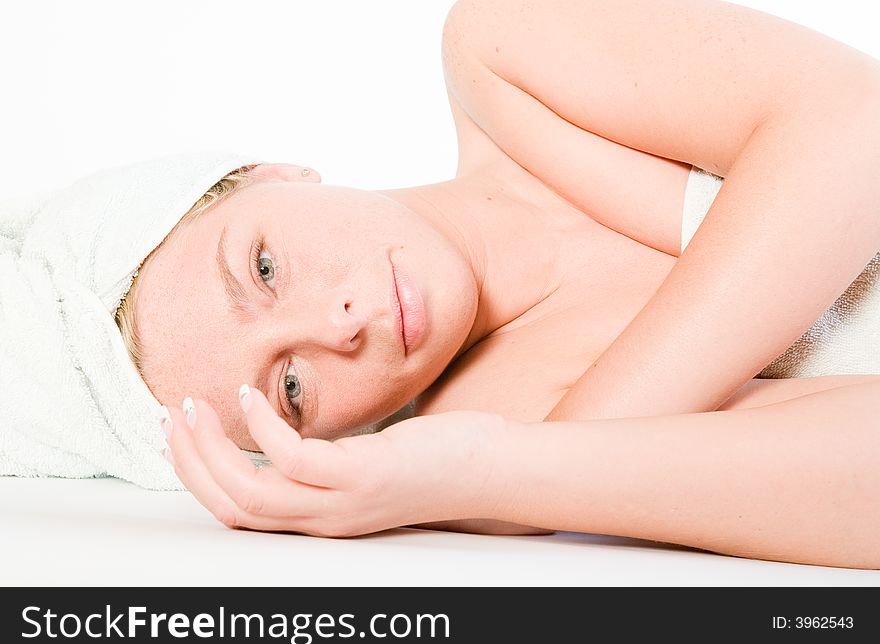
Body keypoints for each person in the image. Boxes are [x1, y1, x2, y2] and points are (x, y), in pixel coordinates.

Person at [122, 0, 880, 568]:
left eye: (263, 268)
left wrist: (575, 442)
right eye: (291, 388)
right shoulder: (489, 440)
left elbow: (860, 125)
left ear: (273, 175)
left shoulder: (501, 50)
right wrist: (499, 474)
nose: (337, 322)